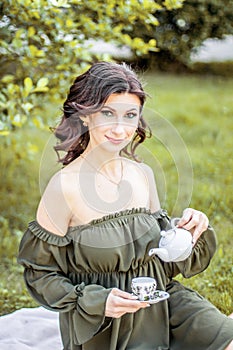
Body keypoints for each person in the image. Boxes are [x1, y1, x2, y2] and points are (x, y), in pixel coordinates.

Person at [18, 62, 233, 350]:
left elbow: (162, 254)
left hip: (161, 298)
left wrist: (187, 231)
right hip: (104, 322)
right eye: (108, 114)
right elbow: (39, 273)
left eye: (130, 116)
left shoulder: (142, 174)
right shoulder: (64, 187)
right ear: (85, 116)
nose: (120, 129)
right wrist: (96, 300)